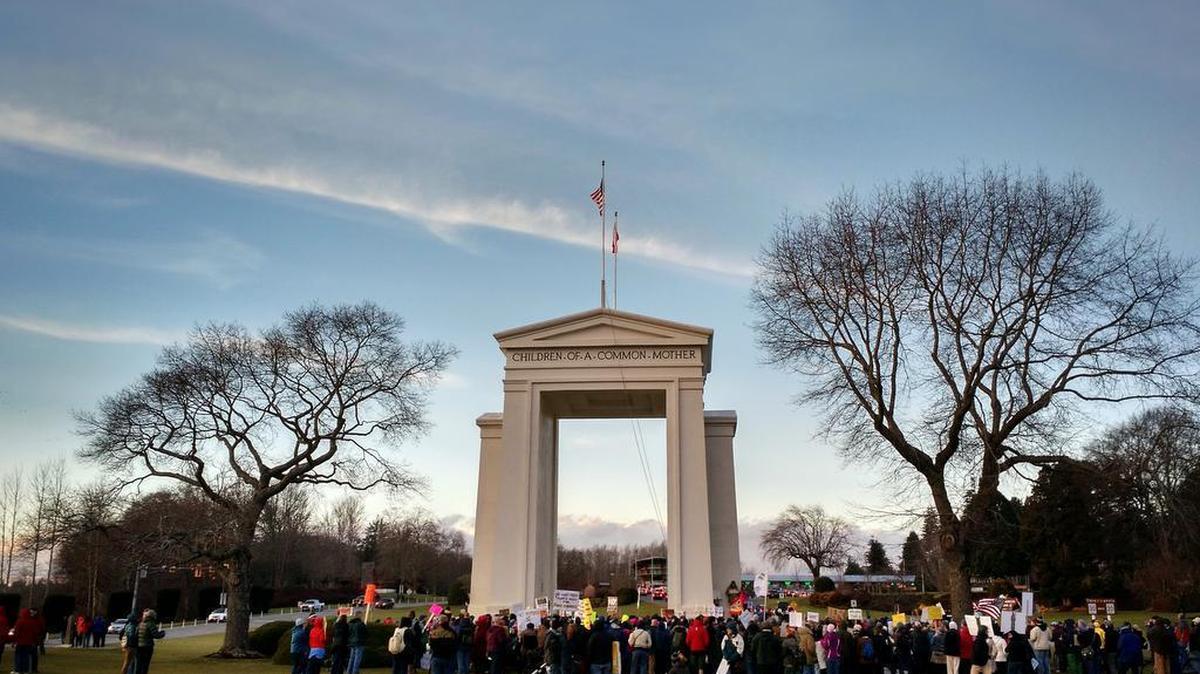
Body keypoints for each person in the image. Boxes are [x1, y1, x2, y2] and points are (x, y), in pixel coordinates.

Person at [135, 608, 165, 674]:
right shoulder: (151, 624)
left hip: (139, 646)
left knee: (139, 664)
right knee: (145, 664)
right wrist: (162, 633)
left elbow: (136, 634)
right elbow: (156, 635)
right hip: (147, 647)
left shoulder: (140, 624)